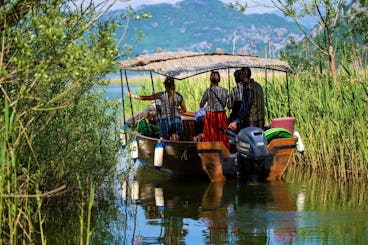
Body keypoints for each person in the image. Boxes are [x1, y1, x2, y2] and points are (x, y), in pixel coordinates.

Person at [128, 76, 187, 141]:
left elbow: (146, 98)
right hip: (177, 119)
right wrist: (178, 111)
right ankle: (175, 150)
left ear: (165, 85)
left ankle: (167, 149)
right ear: (174, 85)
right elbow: (184, 109)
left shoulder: (161, 95)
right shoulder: (179, 96)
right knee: (176, 138)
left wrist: (133, 96)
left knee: (165, 140)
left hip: (166, 120)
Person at [228, 67, 265, 133]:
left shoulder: (248, 88)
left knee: (249, 142)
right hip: (261, 120)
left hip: (251, 121)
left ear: (242, 75)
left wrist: (236, 122)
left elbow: (245, 107)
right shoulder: (258, 85)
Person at [199, 71, 230, 150]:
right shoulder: (225, 91)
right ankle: (223, 151)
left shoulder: (208, 91)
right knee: (221, 134)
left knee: (210, 134)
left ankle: (210, 151)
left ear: (210, 79)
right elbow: (225, 104)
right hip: (221, 115)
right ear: (219, 80)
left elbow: (201, 105)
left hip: (210, 115)